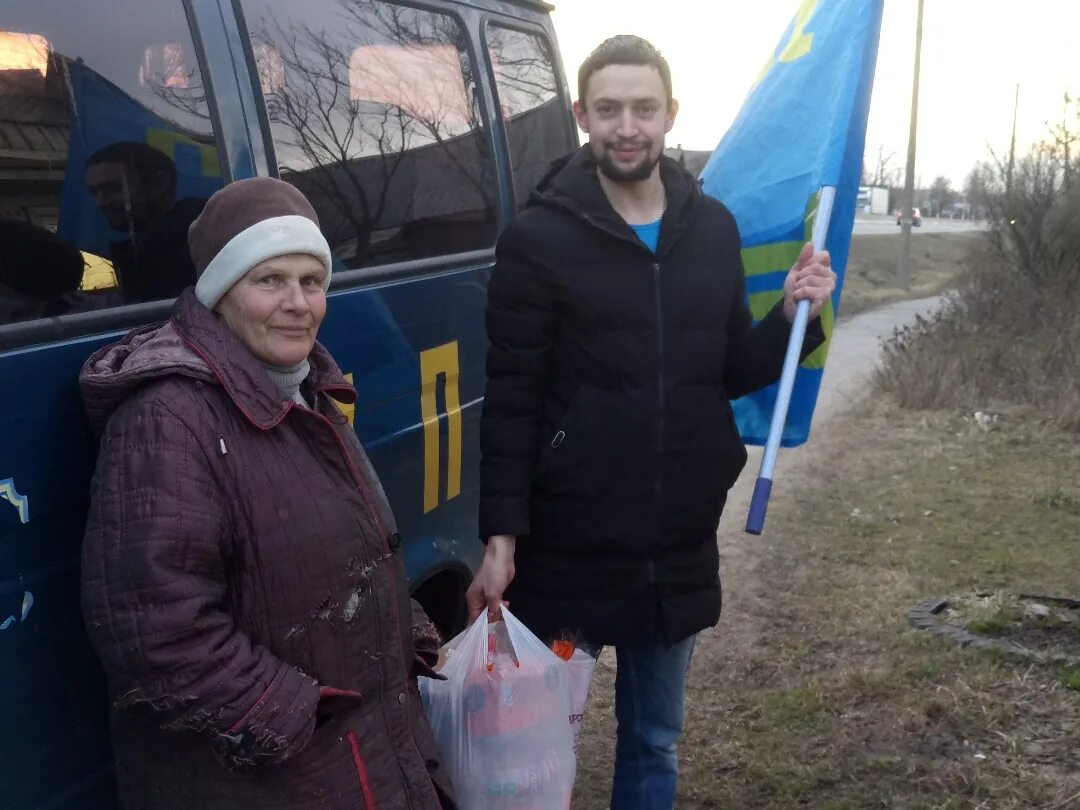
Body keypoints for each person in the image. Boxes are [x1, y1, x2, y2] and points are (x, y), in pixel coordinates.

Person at [468, 35, 836, 808]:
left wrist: (800, 313)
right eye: (607, 110)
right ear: (581, 115)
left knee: (653, 744)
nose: (625, 126)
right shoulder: (536, 239)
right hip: (568, 551)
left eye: (643, 108)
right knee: (542, 749)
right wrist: (500, 540)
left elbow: (731, 369)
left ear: (670, 114)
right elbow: (512, 397)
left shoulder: (714, 230)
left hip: (675, 548)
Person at [80, 177, 454, 809]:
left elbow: (344, 553)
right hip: (278, 772)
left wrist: (400, 633)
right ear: (221, 293)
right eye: (269, 280)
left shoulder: (301, 387)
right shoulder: (167, 421)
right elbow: (155, 631)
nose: (297, 303)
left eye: (312, 282)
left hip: (353, 752)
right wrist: (291, 713)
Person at [85, 141, 206, 303]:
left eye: (114, 188)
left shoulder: (195, 246)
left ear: (160, 183)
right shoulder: (138, 252)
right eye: (95, 192)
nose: (101, 202)